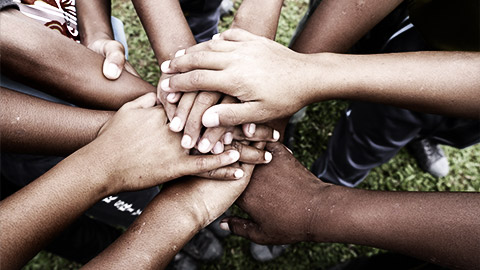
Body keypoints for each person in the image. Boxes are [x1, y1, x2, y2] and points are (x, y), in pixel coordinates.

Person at [0, 93, 269, 269]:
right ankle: (165, 247)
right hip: (27, 156)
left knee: (141, 179)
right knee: (88, 219)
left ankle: (169, 236)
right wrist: (183, 213)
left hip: (61, 112)